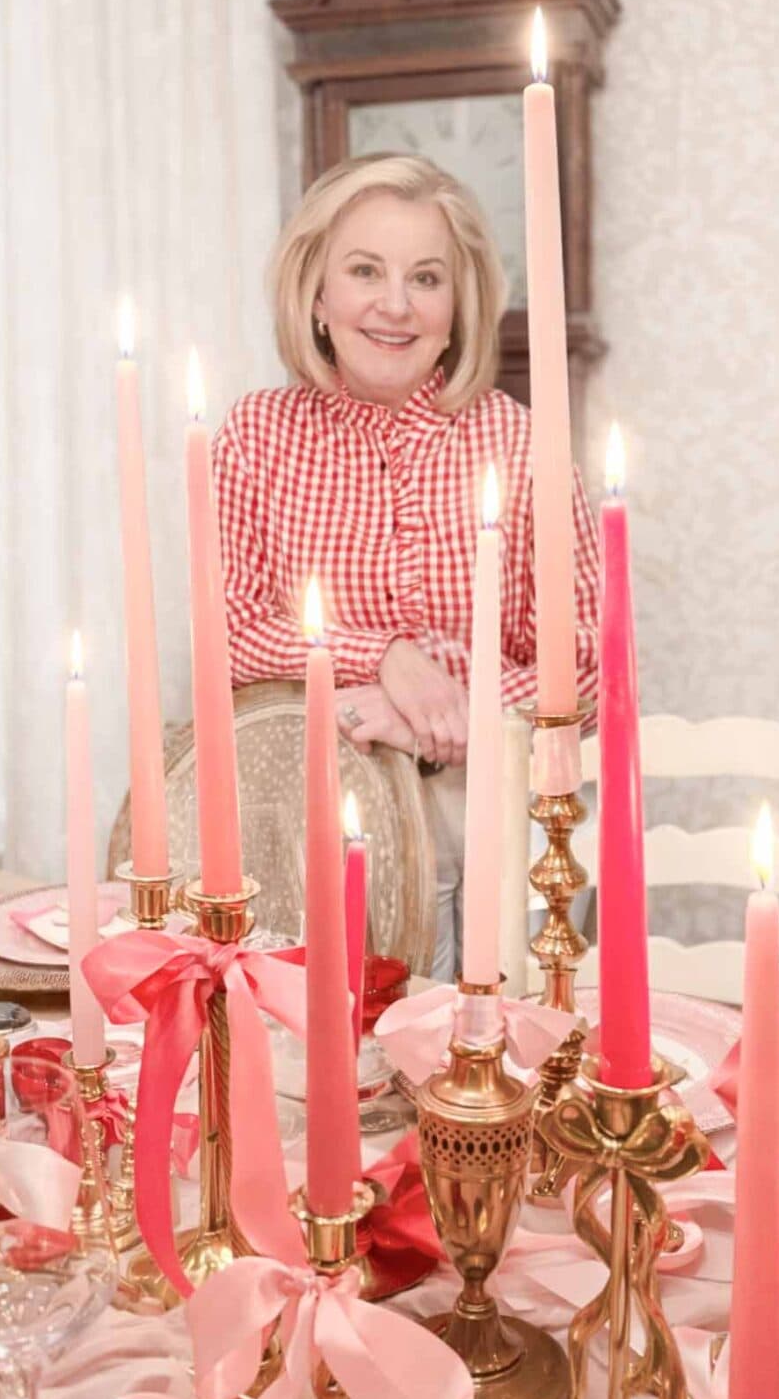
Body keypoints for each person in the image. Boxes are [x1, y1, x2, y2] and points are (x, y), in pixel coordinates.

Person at [214, 153, 600, 979]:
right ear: (316, 294)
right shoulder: (255, 436)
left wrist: (435, 715)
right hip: (309, 826)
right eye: (364, 271)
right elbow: (230, 636)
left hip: (507, 825)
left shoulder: (522, 442)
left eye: (426, 278)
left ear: (458, 309)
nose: (395, 304)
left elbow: (588, 672)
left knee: (500, 1043)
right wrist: (386, 658)